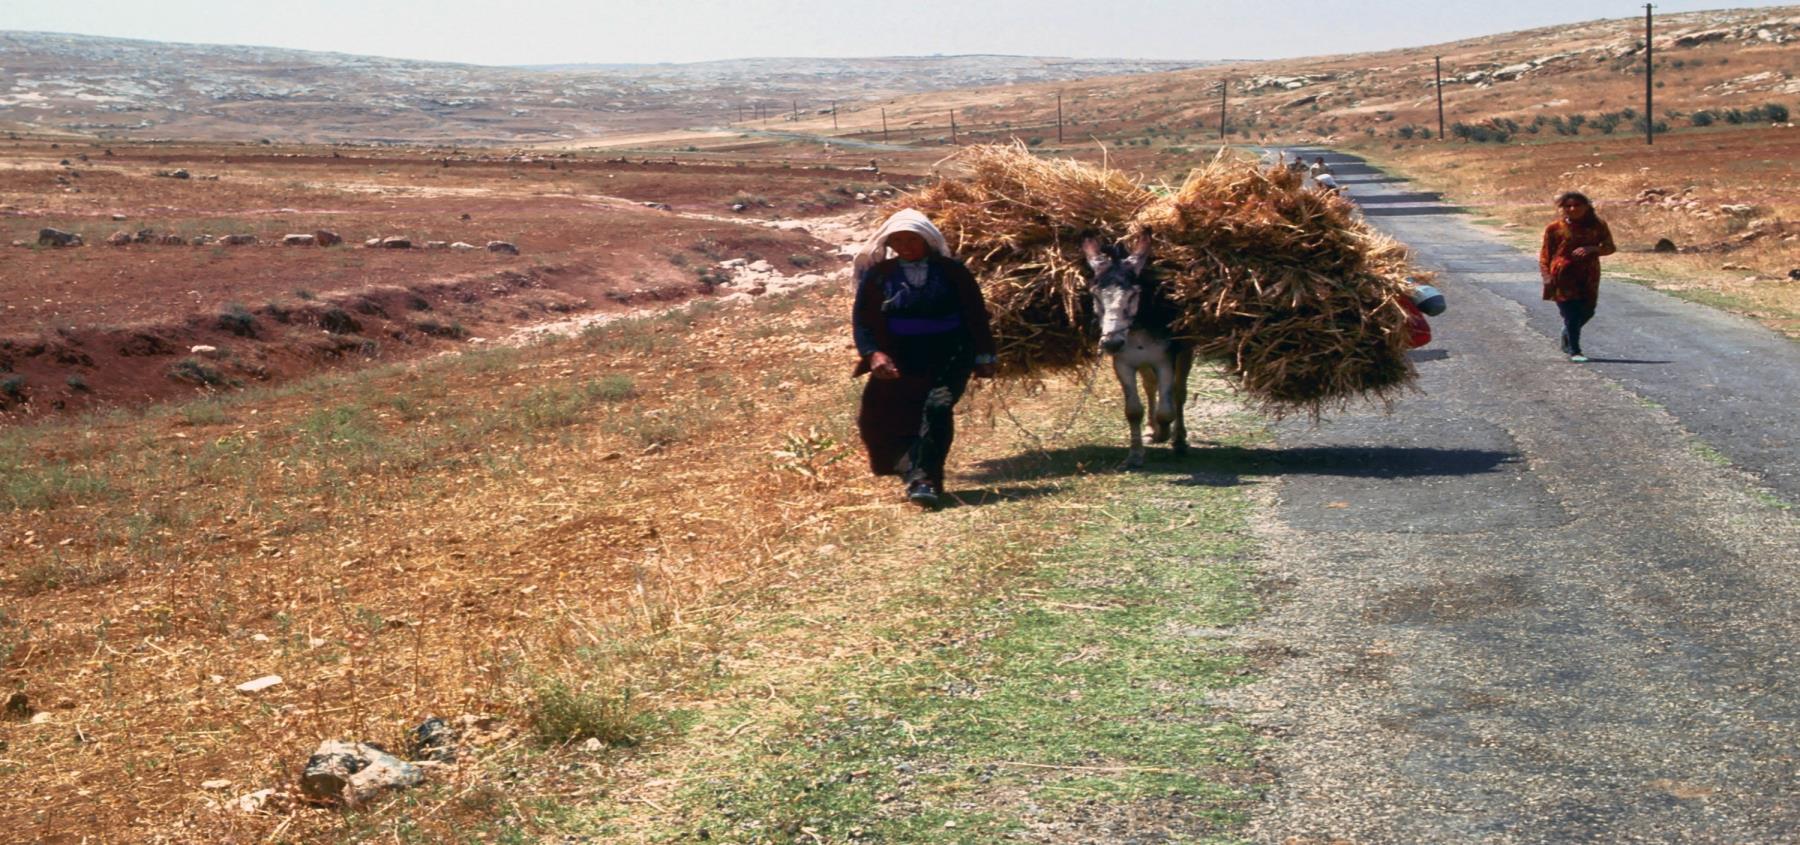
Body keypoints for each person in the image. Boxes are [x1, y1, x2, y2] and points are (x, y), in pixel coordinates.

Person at [850, 209, 998, 509]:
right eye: (897, 241)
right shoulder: (879, 275)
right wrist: (873, 353)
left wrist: (984, 354)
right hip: (899, 355)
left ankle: (925, 479)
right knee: (885, 415)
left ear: (928, 240)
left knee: (936, 406)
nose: (905, 247)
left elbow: (975, 314)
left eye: (912, 240)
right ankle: (911, 471)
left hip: (950, 353)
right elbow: (863, 319)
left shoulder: (952, 271)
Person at [1539, 191, 1616, 362]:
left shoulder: (1598, 225)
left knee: (1587, 311)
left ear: (1586, 206)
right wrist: (1546, 276)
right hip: (1562, 276)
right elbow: (1545, 255)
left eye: (1577, 205)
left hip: (1588, 275)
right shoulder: (1554, 228)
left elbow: (1610, 247)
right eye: (1568, 206)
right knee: (1571, 313)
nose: (1573, 209)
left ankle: (1568, 331)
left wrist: (1593, 249)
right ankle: (1575, 350)